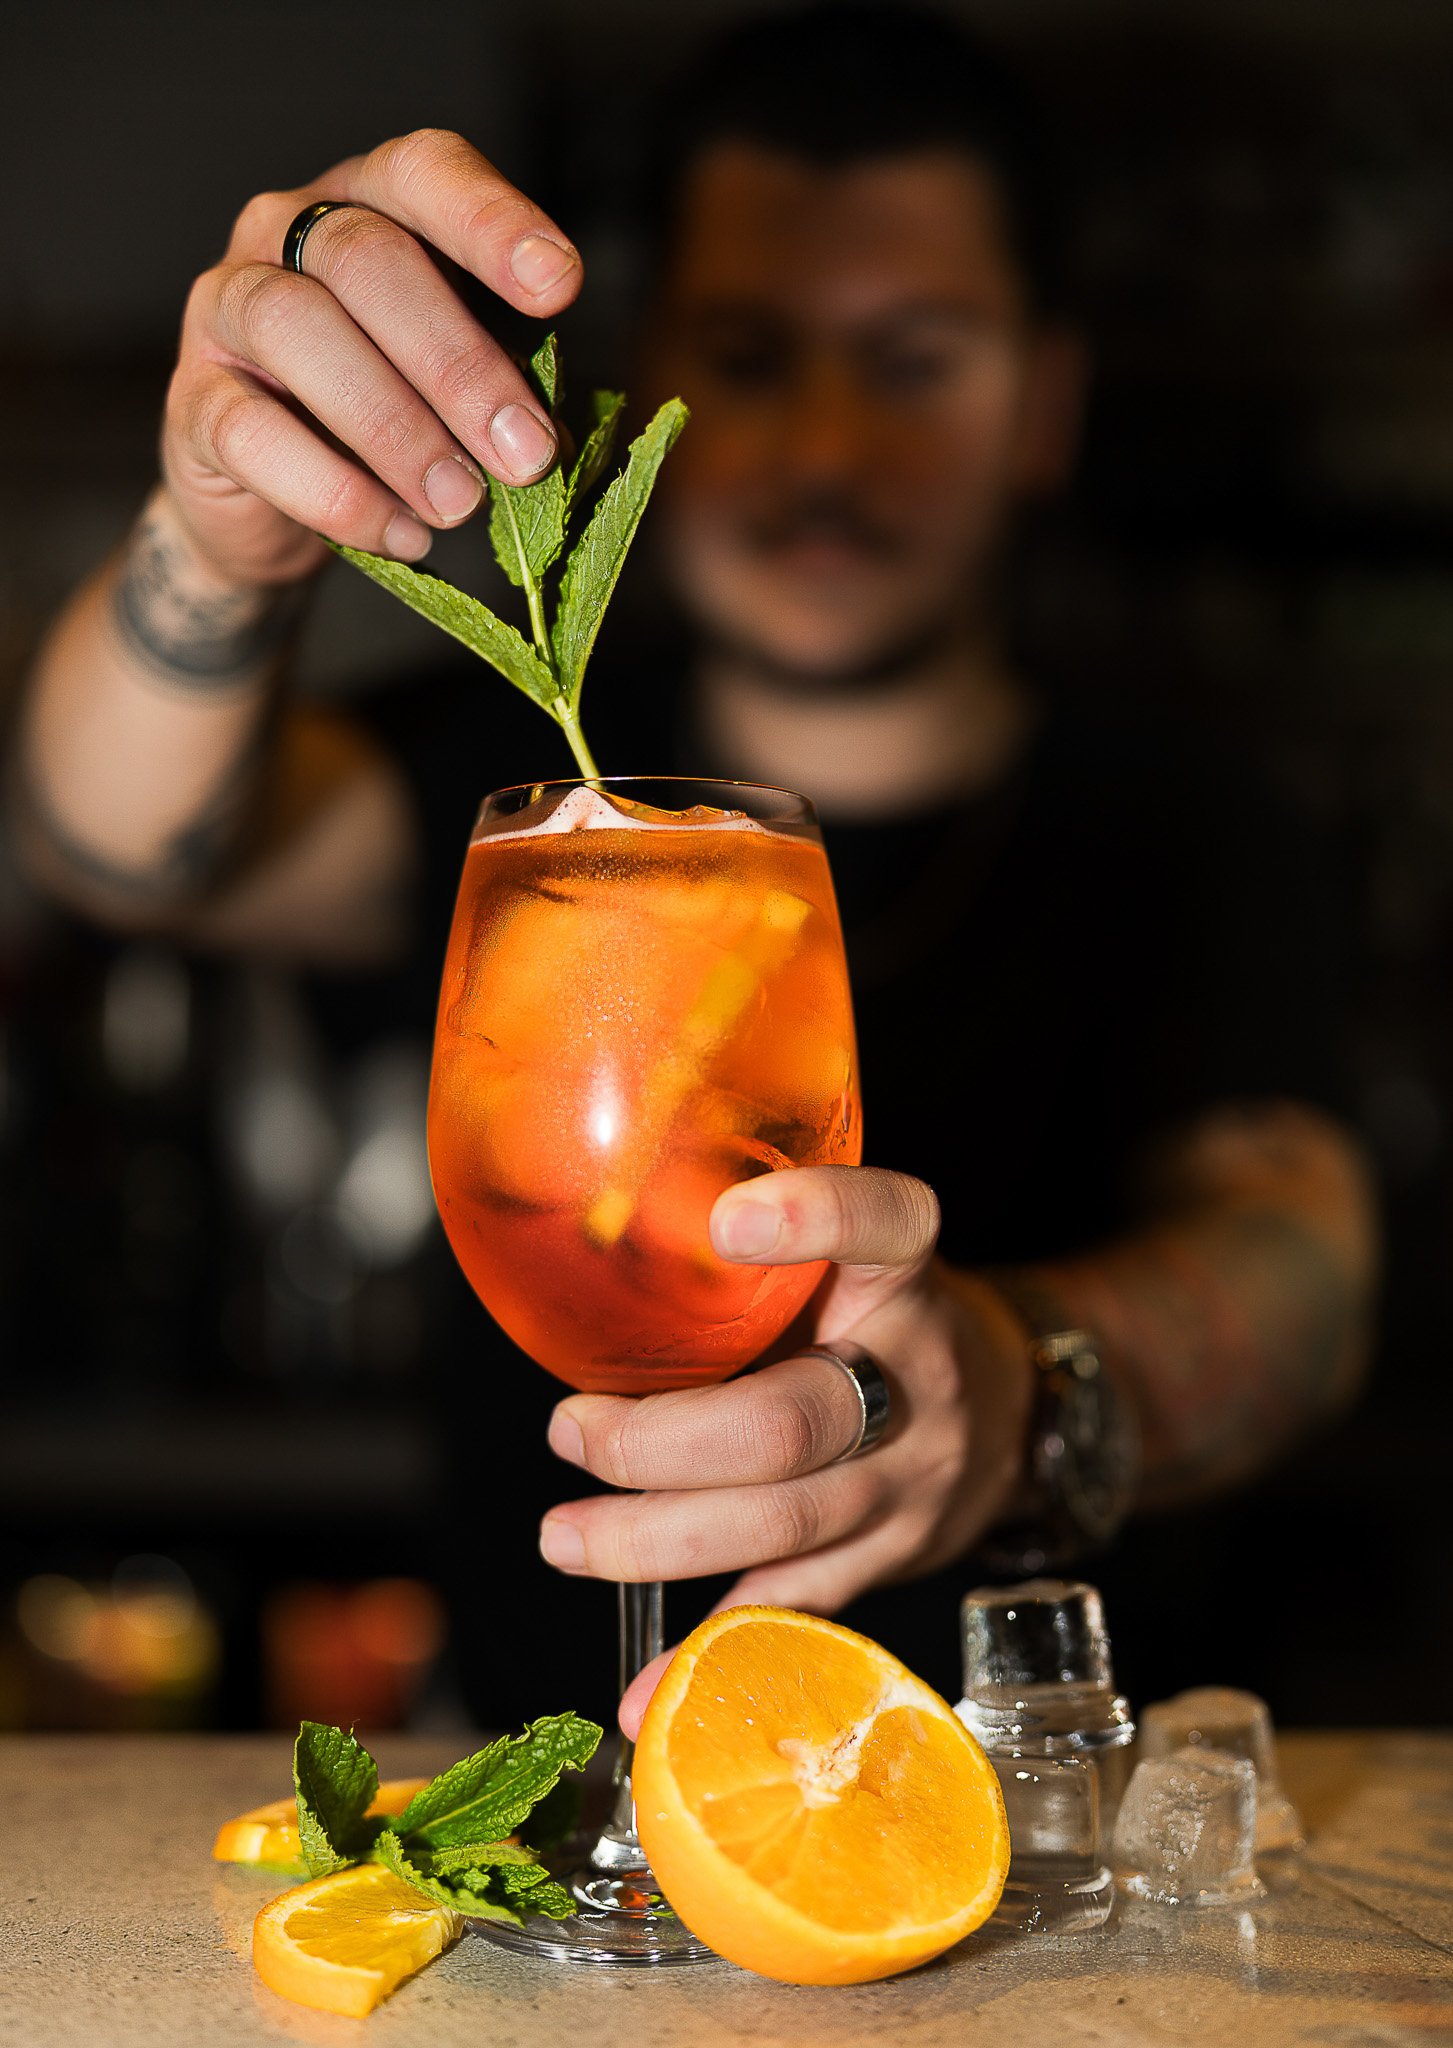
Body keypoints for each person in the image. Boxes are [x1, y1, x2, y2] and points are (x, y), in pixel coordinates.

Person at [12, 4, 1376, 1728]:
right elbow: (116, 844)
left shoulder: (1191, 822)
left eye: (910, 357)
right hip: (529, 1867)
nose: (820, 444)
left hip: (1045, 1862)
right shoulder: (511, 813)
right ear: (654, 375)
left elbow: (1304, 1275)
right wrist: (213, 543)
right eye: (746, 353)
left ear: (1042, 406)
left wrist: (1018, 1388)